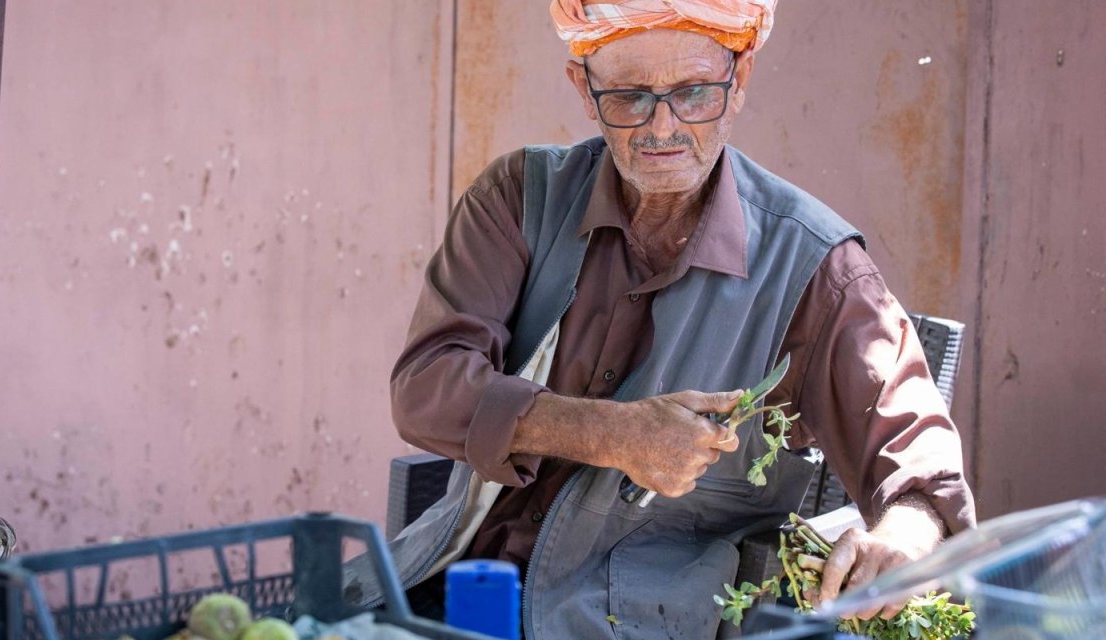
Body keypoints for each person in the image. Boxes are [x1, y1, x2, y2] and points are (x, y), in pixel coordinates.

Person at [352, 2, 977, 637]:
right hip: (446, 582)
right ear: (584, 90)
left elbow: (919, 460)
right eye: (628, 97)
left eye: (694, 93)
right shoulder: (517, 198)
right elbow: (425, 389)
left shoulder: (816, 269)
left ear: (740, 83)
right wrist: (611, 434)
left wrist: (906, 532)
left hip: (626, 622)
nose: (662, 126)